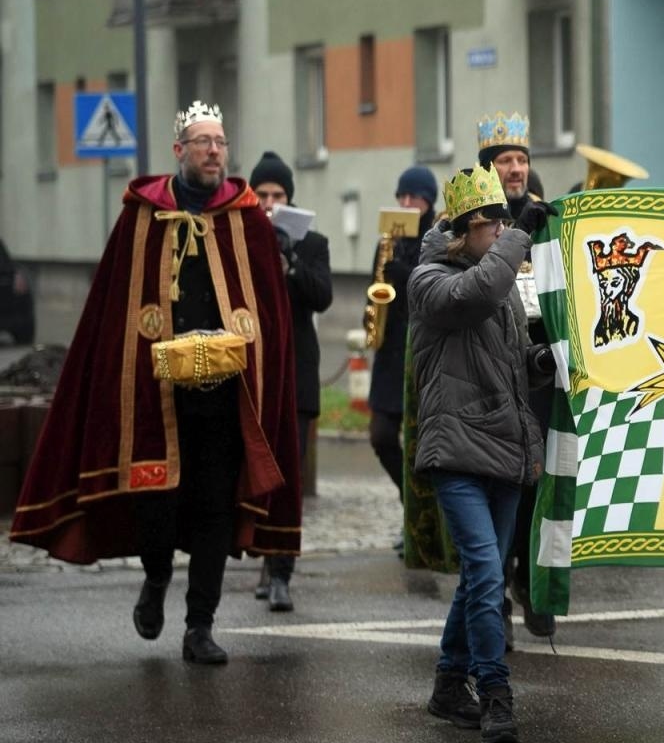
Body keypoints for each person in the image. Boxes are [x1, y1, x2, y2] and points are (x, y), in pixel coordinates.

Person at [7, 101, 300, 665]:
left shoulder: (247, 219)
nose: (214, 152)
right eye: (203, 142)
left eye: (220, 142)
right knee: (156, 505)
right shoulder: (141, 217)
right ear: (179, 151)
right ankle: (157, 576)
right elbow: (111, 309)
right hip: (155, 396)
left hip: (224, 398)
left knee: (214, 509)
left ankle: (200, 626)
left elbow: (271, 315)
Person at [409, 164, 555, 743]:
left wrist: (545, 362)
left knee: (479, 576)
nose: (499, 231)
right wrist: (519, 233)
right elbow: (475, 294)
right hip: (457, 452)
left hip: (503, 451)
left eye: (502, 224)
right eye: (491, 224)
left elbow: (511, 364)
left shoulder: (500, 286)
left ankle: (449, 684)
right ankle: (495, 694)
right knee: (489, 576)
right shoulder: (429, 280)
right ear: (464, 230)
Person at [475, 111, 555, 640]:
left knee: (537, 483)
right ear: (488, 169)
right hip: (491, 374)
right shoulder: (472, 219)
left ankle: (532, 581)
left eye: (521, 159)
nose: (516, 169)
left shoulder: (546, 216)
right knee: (498, 484)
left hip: (540, 375)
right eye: (505, 160)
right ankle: (497, 596)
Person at [249, 152, 332, 613]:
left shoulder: (312, 243)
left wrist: (291, 263)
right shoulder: (242, 236)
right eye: (262, 195)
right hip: (255, 374)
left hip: (296, 376)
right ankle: (262, 557)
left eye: (277, 195)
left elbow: (322, 297)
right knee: (256, 475)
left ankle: (282, 572)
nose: (269, 203)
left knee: (290, 476)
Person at [369, 166, 438, 508]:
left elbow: (437, 291)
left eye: (415, 197)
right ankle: (407, 498)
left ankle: (421, 512)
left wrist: (406, 275)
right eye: (402, 196)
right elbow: (375, 287)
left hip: (422, 353)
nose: (407, 203)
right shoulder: (388, 241)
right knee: (380, 435)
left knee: (421, 445)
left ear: (428, 201)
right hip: (390, 353)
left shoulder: (437, 239)